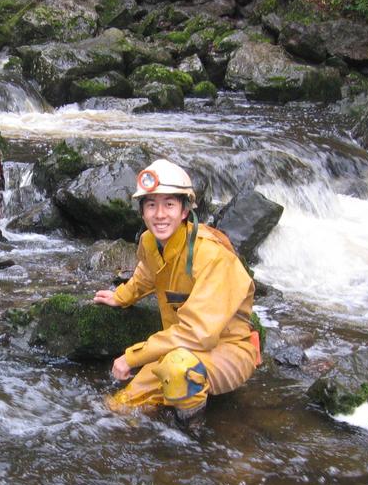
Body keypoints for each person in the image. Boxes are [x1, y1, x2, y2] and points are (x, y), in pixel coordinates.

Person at [93, 158, 260, 421]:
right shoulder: (150, 241)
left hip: (226, 350)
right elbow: (147, 273)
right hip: (177, 346)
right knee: (119, 409)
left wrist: (131, 357)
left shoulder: (212, 256)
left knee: (178, 369)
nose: (160, 214)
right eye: (151, 205)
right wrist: (121, 297)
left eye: (169, 204)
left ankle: (194, 434)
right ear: (143, 212)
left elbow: (197, 334)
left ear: (184, 211)